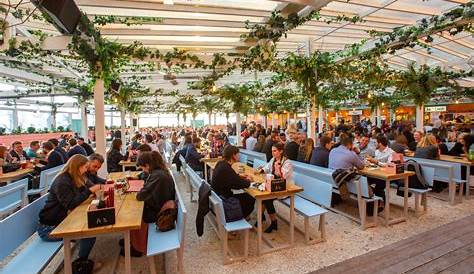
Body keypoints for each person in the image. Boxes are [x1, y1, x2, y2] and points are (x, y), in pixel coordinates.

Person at [38, 155, 101, 267]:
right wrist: (90, 191)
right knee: (89, 233)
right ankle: (80, 263)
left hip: (61, 221)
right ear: (77, 167)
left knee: (91, 222)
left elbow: (86, 188)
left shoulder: (74, 177)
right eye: (85, 167)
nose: (86, 170)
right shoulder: (62, 181)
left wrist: (92, 189)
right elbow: (71, 204)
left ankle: (81, 259)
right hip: (50, 229)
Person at [123, 151, 176, 257]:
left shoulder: (157, 176)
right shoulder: (159, 172)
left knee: (132, 214)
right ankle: (130, 240)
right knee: (135, 209)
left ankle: (137, 247)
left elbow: (140, 196)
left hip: (159, 213)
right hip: (161, 206)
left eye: (143, 168)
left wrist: (139, 190)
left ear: (147, 165)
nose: (143, 171)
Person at [211, 145, 255, 219]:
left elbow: (231, 178)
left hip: (219, 197)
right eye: (238, 154)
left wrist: (239, 176)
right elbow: (239, 184)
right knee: (250, 197)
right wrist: (249, 180)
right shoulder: (226, 168)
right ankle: (241, 218)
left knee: (245, 196)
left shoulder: (221, 163)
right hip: (225, 201)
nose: (239, 156)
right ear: (233, 155)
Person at [260, 142, 293, 233]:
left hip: (284, 188)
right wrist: (262, 169)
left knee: (267, 199)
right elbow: (267, 167)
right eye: (272, 151)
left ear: (281, 151)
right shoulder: (273, 159)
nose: (273, 153)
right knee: (263, 196)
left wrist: (278, 168)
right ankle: (260, 217)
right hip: (274, 185)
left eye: (275, 151)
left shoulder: (287, 162)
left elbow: (283, 176)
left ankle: (273, 222)